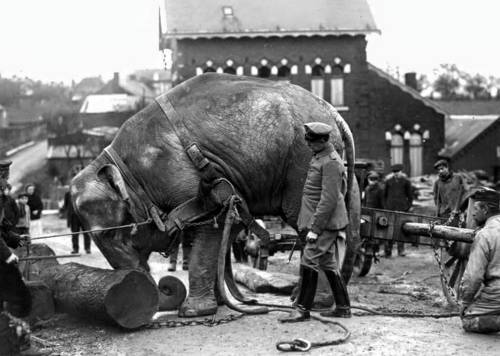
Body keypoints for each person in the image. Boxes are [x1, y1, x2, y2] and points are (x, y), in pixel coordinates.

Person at [280, 122, 351, 323]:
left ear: (322, 141)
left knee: (309, 259)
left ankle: (302, 310)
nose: (309, 145)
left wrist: (316, 229)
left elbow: (328, 200)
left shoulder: (331, 162)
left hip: (325, 223)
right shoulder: (320, 157)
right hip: (322, 221)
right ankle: (343, 307)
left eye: (311, 142)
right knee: (328, 263)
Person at [459, 187, 500, 333]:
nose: (473, 213)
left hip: (497, 293)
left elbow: (473, 277)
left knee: (468, 321)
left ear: (486, 210)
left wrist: (465, 302)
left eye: (476, 208)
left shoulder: (485, 234)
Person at [383, 164, 413, 257]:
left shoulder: (406, 181)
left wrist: (407, 207)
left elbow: (410, 196)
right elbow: (384, 195)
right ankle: (388, 251)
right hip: (390, 209)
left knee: (401, 229)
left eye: (398, 172)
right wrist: (386, 207)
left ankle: (401, 250)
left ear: (401, 171)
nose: (396, 174)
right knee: (389, 229)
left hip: (401, 208)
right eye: (394, 172)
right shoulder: (388, 181)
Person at [63, 189, 91, 254]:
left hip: (84, 215)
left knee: (86, 233)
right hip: (74, 217)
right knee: (74, 234)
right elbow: (66, 205)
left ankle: (87, 248)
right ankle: (75, 249)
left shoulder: (85, 192)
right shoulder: (68, 193)